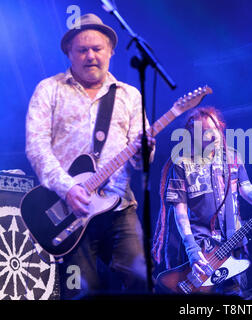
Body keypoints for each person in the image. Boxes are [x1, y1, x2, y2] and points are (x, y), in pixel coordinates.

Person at [25, 13, 155, 299]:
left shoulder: (130, 95)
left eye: (97, 48)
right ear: (69, 54)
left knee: (141, 277)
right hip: (68, 210)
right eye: (82, 50)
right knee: (81, 291)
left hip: (119, 205)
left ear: (110, 51)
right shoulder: (49, 90)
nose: (90, 56)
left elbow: (140, 160)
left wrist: (145, 151)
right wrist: (68, 187)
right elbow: (36, 147)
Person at [152, 106, 252, 297]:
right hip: (202, 249)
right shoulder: (181, 165)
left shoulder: (232, 156)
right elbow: (180, 213)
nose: (213, 136)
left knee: (236, 296)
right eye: (205, 133)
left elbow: (245, 187)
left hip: (233, 243)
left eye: (215, 130)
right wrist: (192, 250)